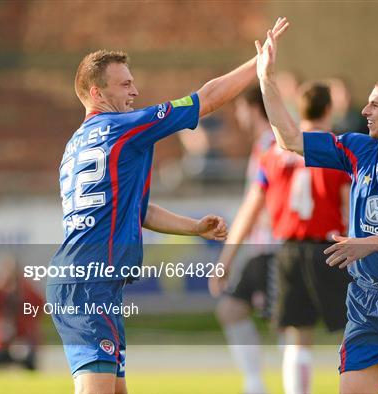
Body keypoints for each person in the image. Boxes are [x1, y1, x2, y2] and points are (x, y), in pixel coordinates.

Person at [47, 17, 289, 394]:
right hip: (90, 281)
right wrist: (256, 68)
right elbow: (205, 99)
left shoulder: (74, 147)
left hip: (85, 278)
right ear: (96, 93)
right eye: (124, 84)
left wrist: (193, 227)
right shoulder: (121, 128)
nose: (135, 90)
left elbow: (136, 210)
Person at [255, 30, 378, 394]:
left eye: (374, 105)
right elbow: (290, 138)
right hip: (369, 304)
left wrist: (368, 244)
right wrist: (266, 80)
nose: (364, 111)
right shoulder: (358, 150)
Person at [211, 82, 352, 394]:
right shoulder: (338, 150)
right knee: (355, 330)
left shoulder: (273, 152)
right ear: (329, 110)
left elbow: (250, 208)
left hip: (288, 250)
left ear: (296, 112)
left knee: (297, 338)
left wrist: (226, 259)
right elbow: (348, 205)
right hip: (333, 248)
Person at [208, 86, 278, 394]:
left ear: (252, 109)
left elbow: (259, 204)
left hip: (274, 247)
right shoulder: (266, 144)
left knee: (286, 321)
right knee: (232, 309)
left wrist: (226, 257)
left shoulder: (271, 145)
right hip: (260, 249)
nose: (238, 116)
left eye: (239, 108)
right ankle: (255, 384)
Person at [0, 254, 44, 371]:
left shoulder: (26, 291)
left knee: (28, 358)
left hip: (21, 340)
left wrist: (24, 287)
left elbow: (40, 305)